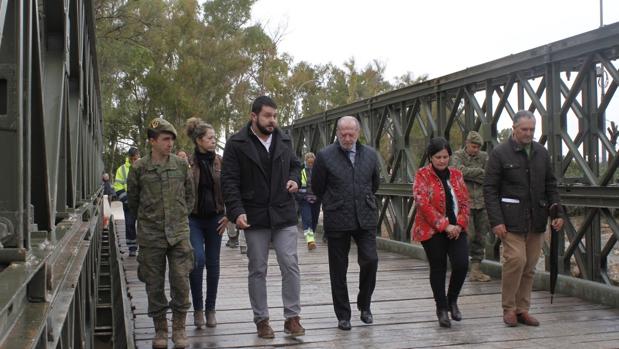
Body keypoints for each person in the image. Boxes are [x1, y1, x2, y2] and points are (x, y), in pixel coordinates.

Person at [221, 96, 305, 338]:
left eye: (275, 116)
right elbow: (229, 182)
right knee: (257, 268)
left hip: (283, 213)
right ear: (254, 116)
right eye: (268, 116)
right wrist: (236, 211)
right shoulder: (236, 143)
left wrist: (294, 179)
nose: (273, 121)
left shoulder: (284, 139)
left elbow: (296, 165)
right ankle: (262, 320)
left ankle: (292, 317)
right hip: (254, 215)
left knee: (290, 264)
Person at [483, 110, 564, 327]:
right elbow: (489, 189)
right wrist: (496, 221)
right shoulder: (500, 153)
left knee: (529, 266)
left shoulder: (541, 152)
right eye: (524, 129)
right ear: (514, 129)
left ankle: (522, 309)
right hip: (510, 221)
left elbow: (551, 185)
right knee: (515, 261)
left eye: (532, 129)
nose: (529, 133)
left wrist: (557, 213)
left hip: (536, 219)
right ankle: (508, 308)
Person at [127, 118, 195, 348]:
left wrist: (180, 217)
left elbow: (190, 197)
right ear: (152, 141)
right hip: (151, 235)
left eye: (172, 140)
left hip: (178, 234)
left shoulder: (179, 165)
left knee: (181, 280)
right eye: (165, 139)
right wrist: (148, 221)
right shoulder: (139, 168)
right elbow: (133, 201)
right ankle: (160, 330)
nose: (170, 144)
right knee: (153, 284)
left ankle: (179, 328)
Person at [311, 116, 380, 331]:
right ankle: (343, 315)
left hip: (365, 215)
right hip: (338, 216)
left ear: (358, 133)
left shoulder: (370, 154)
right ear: (337, 133)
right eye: (343, 134)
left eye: (351, 134)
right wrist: (334, 201)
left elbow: (375, 183)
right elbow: (317, 186)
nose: (347, 138)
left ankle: (364, 304)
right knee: (338, 269)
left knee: (371, 260)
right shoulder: (325, 155)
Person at [412, 137, 470, 328]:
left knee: (461, 264)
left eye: (445, 157)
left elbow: (464, 203)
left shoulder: (457, 175)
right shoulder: (422, 175)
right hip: (432, 229)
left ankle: (452, 300)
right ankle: (442, 308)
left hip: (456, 229)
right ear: (430, 157)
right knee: (438, 266)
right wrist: (445, 225)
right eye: (438, 157)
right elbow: (423, 204)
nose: (442, 161)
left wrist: (459, 225)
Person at [185, 117, 228, 329]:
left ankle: (210, 309)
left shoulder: (221, 162)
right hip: (193, 219)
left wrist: (228, 215)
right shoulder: (187, 164)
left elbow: (231, 189)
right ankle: (198, 310)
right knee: (197, 260)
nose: (214, 141)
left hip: (216, 219)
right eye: (210, 138)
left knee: (213, 263)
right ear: (199, 140)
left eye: (214, 138)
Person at [450, 131, 492, 282]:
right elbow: (456, 172)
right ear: (467, 144)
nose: (476, 150)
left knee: (481, 237)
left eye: (478, 147)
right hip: (464, 203)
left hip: (481, 202)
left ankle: (476, 270)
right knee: (468, 236)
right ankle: (458, 265)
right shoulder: (457, 156)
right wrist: (479, 172)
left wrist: (469, 174)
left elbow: (489, 175)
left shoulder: (484, 156)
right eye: (473, 146)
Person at [113, 147, 140, 256]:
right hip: (128, 204)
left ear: (139, 156)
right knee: (129, 225)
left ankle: (145, 248)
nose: (134, 161)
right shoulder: (122, 169)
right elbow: (118, 186)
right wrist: (127, 201)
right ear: (129, 157)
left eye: (135, 158)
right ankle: (132, 248)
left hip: (143, 204)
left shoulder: (145, 167)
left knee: (144, 227)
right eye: (132, 159)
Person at [297, 152, 320, 250]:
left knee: (314, 220)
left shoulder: (319, 171)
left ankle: (311, 236)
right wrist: (303, 194)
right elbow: (297, 186)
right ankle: (310, 240)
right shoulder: (301, 171)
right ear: (305, 161)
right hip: (304, 199)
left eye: (312, 162)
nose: (310, 164)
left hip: (316, 200)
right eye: (309, 161)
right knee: (307, 219)